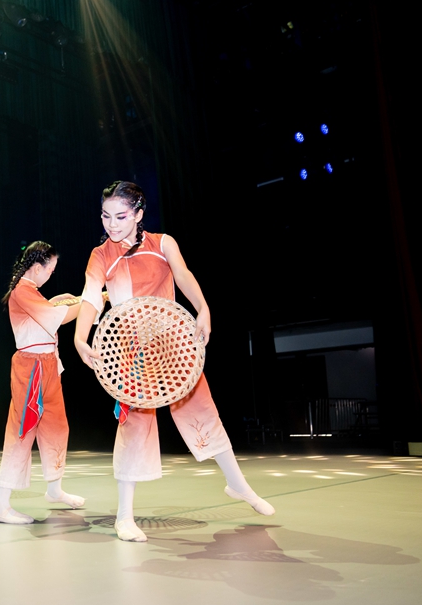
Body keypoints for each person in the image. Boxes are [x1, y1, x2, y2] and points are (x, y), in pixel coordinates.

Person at [73, 181, 275, 543]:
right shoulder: (100, 255)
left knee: (203, 410)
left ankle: (238, 485)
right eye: (105, 216)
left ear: (138, 214)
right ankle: (124, 516)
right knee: (134, 425)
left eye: (121, 216)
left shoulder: (163, 243)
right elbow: (90, 297)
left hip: (172, 344)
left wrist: (203, 308)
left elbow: (183, 276)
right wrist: (79, 336)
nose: (112, 224)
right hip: (131, 351)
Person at [0, 241, 86, 524]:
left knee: (56, 425)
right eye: (50, 269)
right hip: (31, 367)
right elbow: (57, 319)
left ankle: (54, 489)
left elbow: (47, 314)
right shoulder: (22, 291)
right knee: (23, 430)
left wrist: (58, 301)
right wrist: (87, 302)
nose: (50, 274)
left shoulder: (30, 291)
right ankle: (0, 505)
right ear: (36, 267)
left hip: (46, 365)